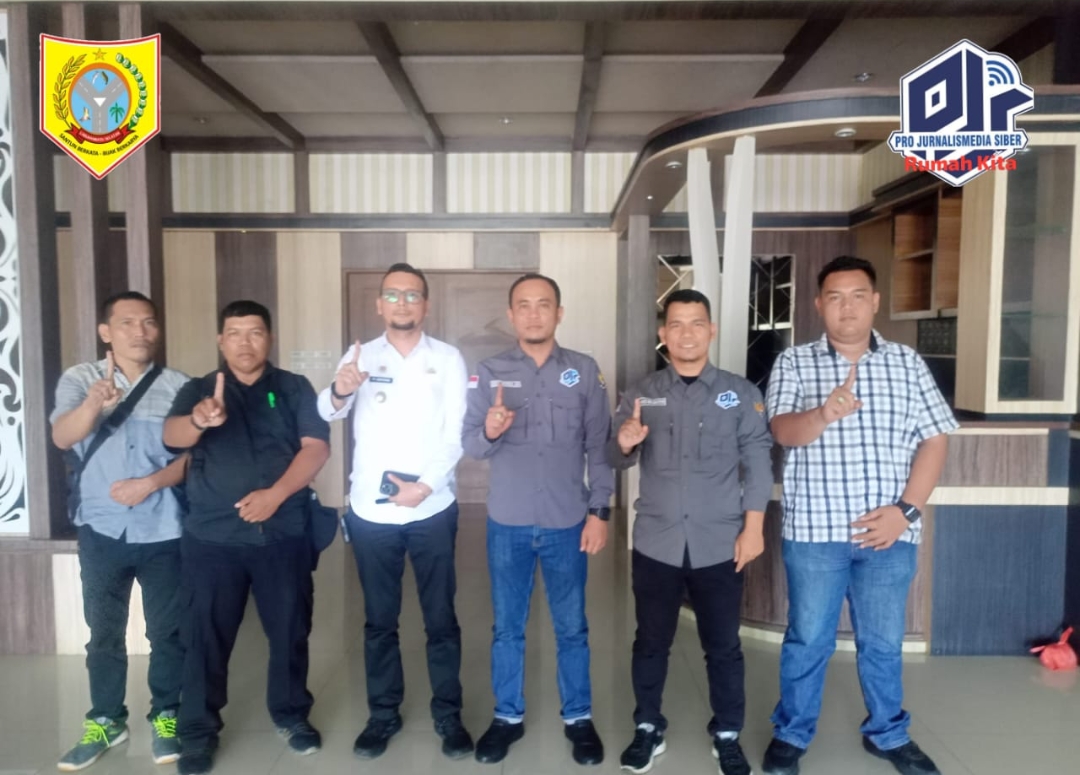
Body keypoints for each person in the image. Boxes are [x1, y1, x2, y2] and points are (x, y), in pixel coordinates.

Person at [762, 256, 957, 775]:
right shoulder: (795, 362)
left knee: (883, 642)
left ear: (874, 301)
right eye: (834, 297)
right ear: (818, 304)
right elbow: (782, 431)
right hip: (815, 532)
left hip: (889, 534)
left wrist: (906, 511)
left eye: (856, 296)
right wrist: (824, 412)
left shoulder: (907, 362)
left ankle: (889, 734)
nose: (846, 307)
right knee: (808, 640)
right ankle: (791, 734)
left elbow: (935, 440)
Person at [608, 289, 774, 775]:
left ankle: (727, 734)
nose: (686, 333)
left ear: (711, 330)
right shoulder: (641, 393)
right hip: (656, 543)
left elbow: (758, 464)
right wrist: (625, 442)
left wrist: (754, 529)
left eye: (696, 323)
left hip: (719, 543)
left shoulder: (741, 394)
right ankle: (647, 727)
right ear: (663, 333)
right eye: (676, 324)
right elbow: (615, 456)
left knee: (723, 646)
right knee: (650, 642)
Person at [163, 300, 331, 775]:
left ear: (269, 339)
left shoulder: (294, 388)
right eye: (234, 333)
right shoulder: (199, 390)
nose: (245, 342)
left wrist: (275, 495)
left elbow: (316, 448)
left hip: (283, 532)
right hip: (213, 539)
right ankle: (198, 732)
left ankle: (291, 714)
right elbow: (173, 437)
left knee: (290, 630)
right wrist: (199, 420)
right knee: (205, 637)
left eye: (255, 332)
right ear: (221, 340)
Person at [317, 263, 474, 761]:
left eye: (411, 295)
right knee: (379, 621)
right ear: (378, 304)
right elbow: (327, 410)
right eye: (393, 295)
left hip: (433, 509)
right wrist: (341, 388)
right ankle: (382, 714)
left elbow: (457, 432)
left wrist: (425, 487)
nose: (402, 303)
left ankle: (448, 714)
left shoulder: (447, 358)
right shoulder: (360, 355)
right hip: (372, 512)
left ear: (426, 304)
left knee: (440, 618)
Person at [462, 273, 614, 767]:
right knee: (507, 627)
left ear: (559, 313)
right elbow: (471, 444)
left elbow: (600, 447)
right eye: (523, 305)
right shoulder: (489, 372)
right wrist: (490, 429)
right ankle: (507, 717)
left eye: (543, 304)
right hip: (507, 521)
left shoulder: (584, 371)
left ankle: (579, 718)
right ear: (511, 315)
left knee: (572, 626)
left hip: (567, 520)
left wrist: (599, 511)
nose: (533, 314)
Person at [51, 291, 189, 772]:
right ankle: (106, 719)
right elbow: (63, 436)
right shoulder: (79, 379)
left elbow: (194, 456)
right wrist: (94, 404)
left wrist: (150, 483)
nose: (140, 331)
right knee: (104, 632)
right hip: (101, 528)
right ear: (106, 332)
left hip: (165, 528)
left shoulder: (178, 386)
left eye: (148, 322)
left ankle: (167, 714)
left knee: (168, 631)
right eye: (127, 323)